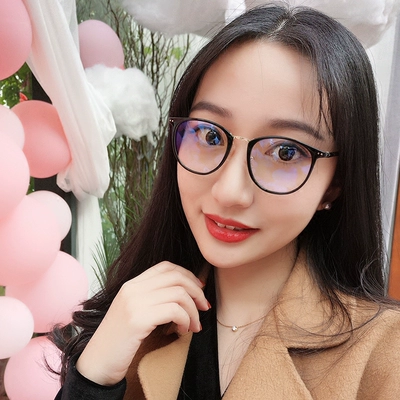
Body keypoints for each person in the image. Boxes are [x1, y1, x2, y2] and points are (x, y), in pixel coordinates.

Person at [53, 3, 400, 399]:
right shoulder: (131, 323)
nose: (229, 192)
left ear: (334, 185)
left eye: (285, 152)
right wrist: (91, 380)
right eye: (211, 136)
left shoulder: (384, 356)